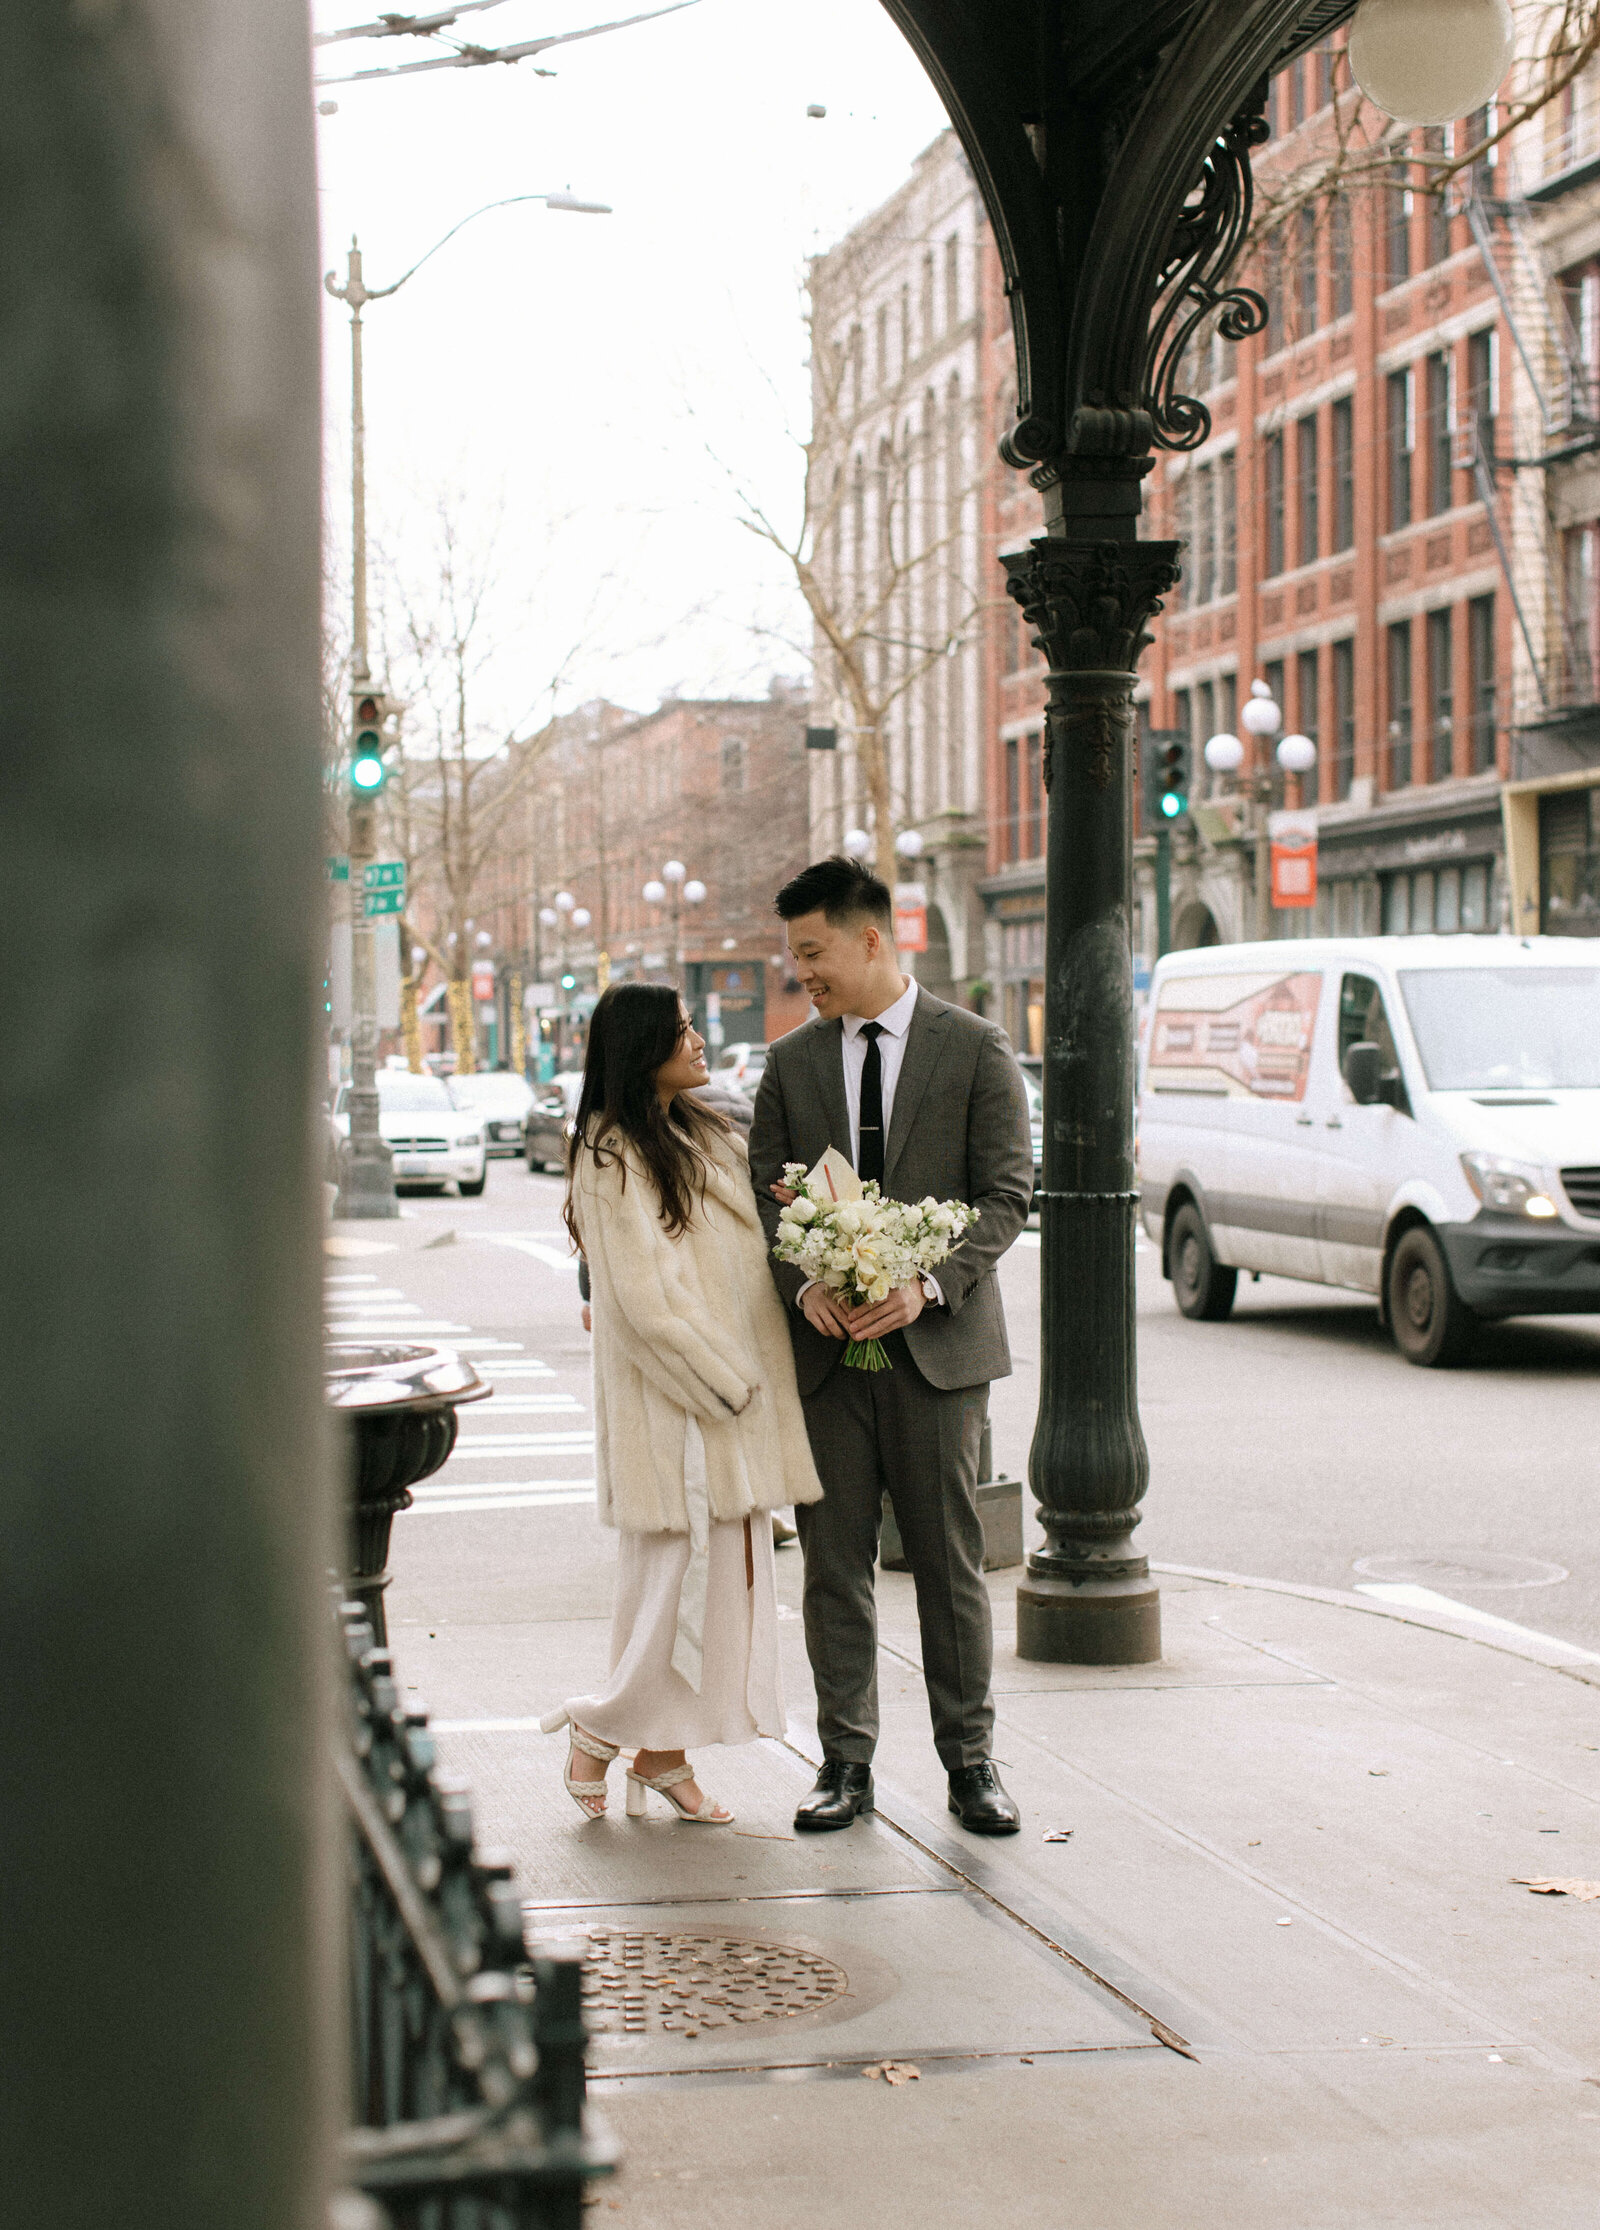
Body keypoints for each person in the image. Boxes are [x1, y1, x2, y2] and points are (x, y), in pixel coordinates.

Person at [748, 856, 1033, 1836]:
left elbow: (1007, 1196)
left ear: (870, 940)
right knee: (833, 1568)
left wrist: (927, 1283)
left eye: (813, 952)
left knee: (948, 1567)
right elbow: (764, 1195)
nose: (802, 973)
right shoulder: (789, 1064)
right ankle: (844, 1762)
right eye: (794, 957)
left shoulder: (975, 1047)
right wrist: (805, 1283)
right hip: (828, 1362)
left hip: (938, 1358)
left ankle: (971, 1765)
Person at [542, 983, 822, 1825]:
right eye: (683, 1030)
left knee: (724, 1592)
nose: (699, 1042)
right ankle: (602, 1726)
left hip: (728, 1407)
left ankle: (662, 1755)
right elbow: (642, 1303)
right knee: (678, 1588)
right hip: (682, 1409)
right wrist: (724, 1383)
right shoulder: (609, 1151)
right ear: (643, 1049)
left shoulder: (702, 1133)